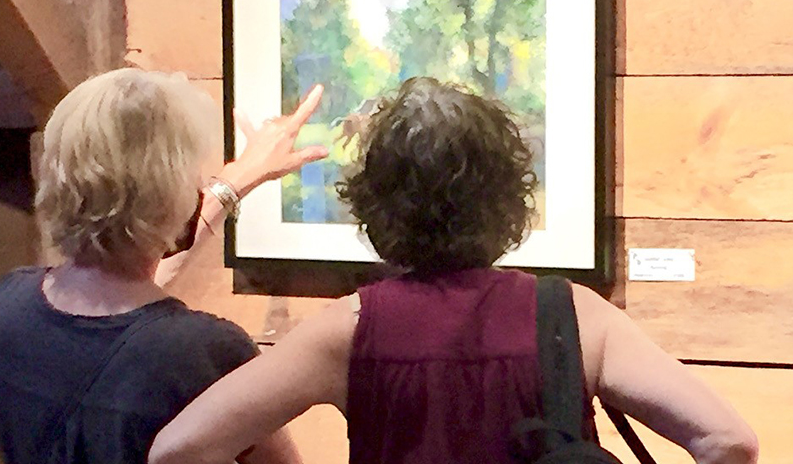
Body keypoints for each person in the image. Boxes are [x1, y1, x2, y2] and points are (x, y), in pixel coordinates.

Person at [148, 77, 759, 464]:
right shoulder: (573, 314)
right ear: (507, 197)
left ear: (376, 201)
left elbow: (181, 450)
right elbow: (728, 441)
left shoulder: (349, 331)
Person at [0, 68, 328, 463]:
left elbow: (130, 284)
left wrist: (238, 179)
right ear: (175, 194)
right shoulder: (203, 353)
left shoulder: (9, 302)